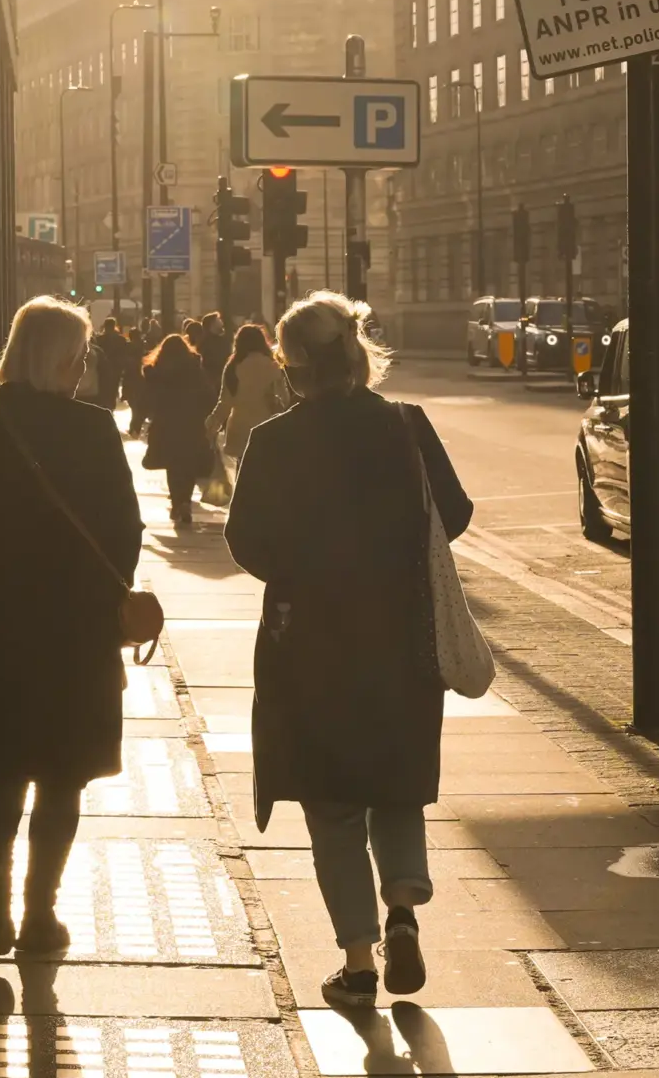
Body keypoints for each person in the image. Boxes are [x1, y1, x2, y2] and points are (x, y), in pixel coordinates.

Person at [225, 292, 473, 1011]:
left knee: (332, 804)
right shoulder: (405, 425)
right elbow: (453, 513)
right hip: (400, 637)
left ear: (291, 367)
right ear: (357, 354)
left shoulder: (273, 439)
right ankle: (402, 908)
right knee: (394, 785)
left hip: (310, 645)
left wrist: (303, 565)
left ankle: (359, 961)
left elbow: (246, 541)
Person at [0, 297, 142, 958]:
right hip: (77, 630)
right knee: (62, 768)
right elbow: (124, 531)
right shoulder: (94, 429)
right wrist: (109, 608)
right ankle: (41, 912)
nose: (83, 371)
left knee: (0, 757)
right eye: (79, 357)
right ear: (60, 357)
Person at [141, 333, 216, 531]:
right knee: (188, 463)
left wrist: (142, 418)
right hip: (191, 422)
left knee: (173, 465)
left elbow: (147, 398)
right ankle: (185, 501)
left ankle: (177, 501)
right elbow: (207, 394)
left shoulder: (154, 371)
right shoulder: (194, 368)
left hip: (166, 423)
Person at [206, 322, 291, 475]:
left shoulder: (233, 366)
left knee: (243, 470)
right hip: (267, 424)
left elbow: (225, 401)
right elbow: (284, 399)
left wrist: (213, 423)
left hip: (240, 427)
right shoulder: (273, 364)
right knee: (266, 470)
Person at [198, 311, 232, 385]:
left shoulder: (223, 340)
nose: (221, 322)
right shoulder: (205, 343)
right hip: (213, 381)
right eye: (218, 319)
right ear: (212, 324)